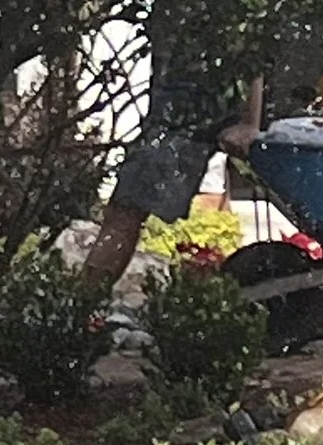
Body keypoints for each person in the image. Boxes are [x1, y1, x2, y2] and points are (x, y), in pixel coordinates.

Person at [79, 59, 265, 288]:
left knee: (126, 212)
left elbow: (252, 49)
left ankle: (83, 302)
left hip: (191, 112)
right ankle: (84, 303)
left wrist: (250, 122)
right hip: (171, 105)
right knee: (124, 212)